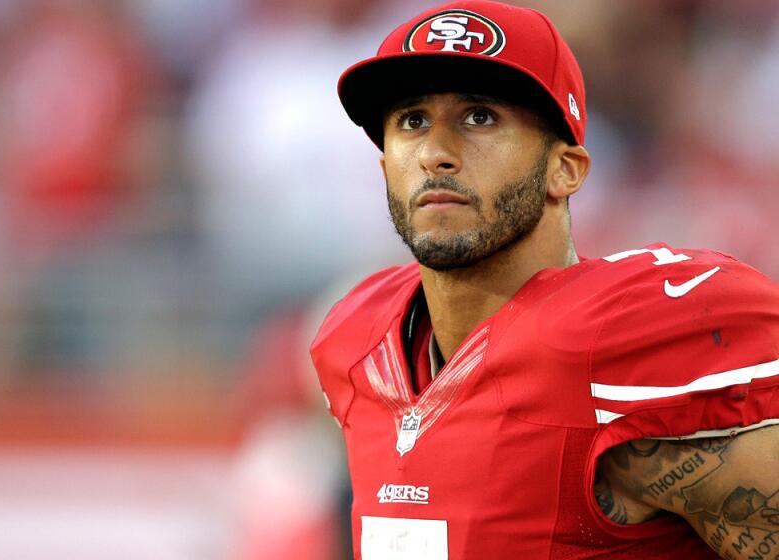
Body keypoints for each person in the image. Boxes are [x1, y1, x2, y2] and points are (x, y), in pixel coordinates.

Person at [309, 1, 779, 559]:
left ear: (566, 168)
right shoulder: (356, 340)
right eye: (412, 121)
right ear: (385, 167)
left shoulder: (623, 340)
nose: (436, 154)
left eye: (479, 116)